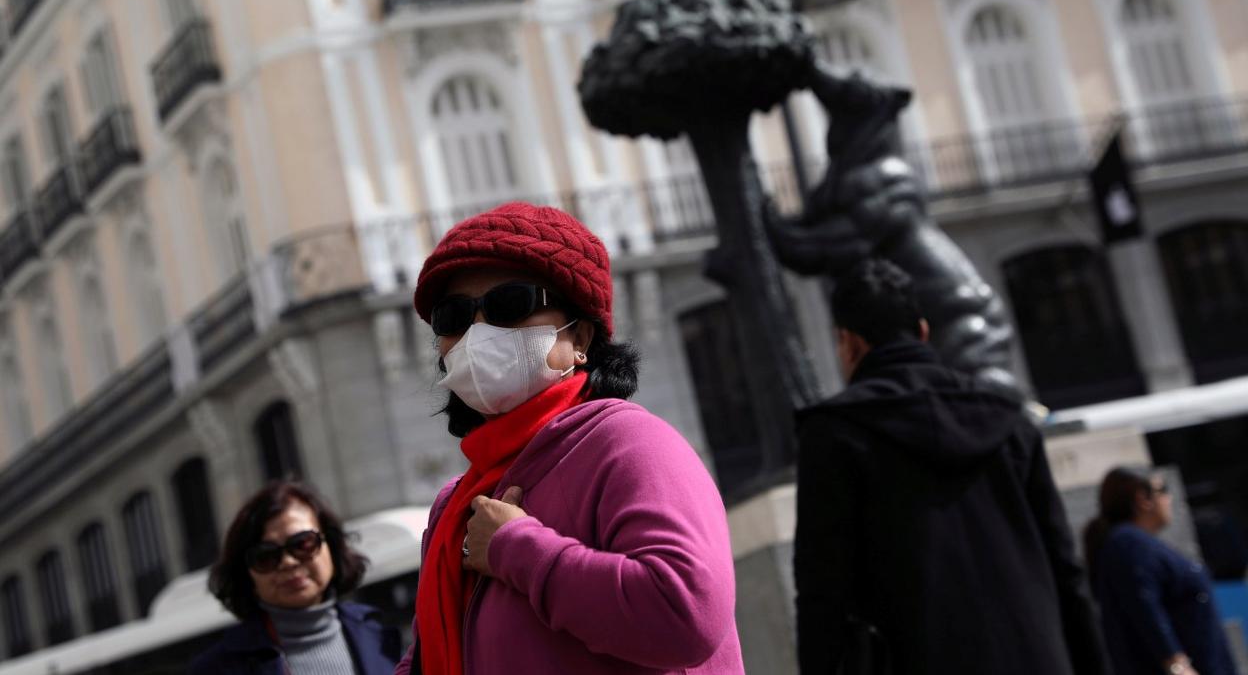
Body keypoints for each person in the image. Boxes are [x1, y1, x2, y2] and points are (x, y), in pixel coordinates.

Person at [395, 201, 744, 675]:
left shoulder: (627, 442)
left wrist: (516, 549)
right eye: (452, 317)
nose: (478, 332)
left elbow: (688, 615)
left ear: (579, 337)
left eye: (510, 305)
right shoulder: (456, 506)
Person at [793, 258, 1109, 675]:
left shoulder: (836, 434)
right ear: (923, 331)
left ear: (848, 343)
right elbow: (1067, 574)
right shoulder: (1010, 419)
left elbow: (823, 592)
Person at [190, 480, 401, 674]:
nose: (288, 562)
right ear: (246, 574)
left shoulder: (379, 634)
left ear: (331, 544)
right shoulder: (218, 669)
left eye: (303, 544)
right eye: (265, 556)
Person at [1084, 467, 1237, 675]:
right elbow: (1144, 607)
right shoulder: (1128, 544)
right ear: (1142, 499)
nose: (1169, 498)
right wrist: (1177, 664)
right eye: (1163, 490)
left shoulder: (1134, 543)